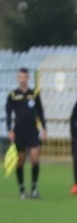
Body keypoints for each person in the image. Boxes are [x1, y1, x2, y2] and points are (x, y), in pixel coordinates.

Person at [5, 67, 46, 199]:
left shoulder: (34, 93)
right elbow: (8, 113)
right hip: (19, 132)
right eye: (20, 77)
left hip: (32, 131)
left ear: (28, 78)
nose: (23, 79)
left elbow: (40, 112)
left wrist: (44, 128)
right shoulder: (13, 95)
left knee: (35, 157)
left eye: (25, 77)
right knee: (20, 160)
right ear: (18, 78)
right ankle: (22, 189)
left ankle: (34, 188)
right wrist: (10, 129)